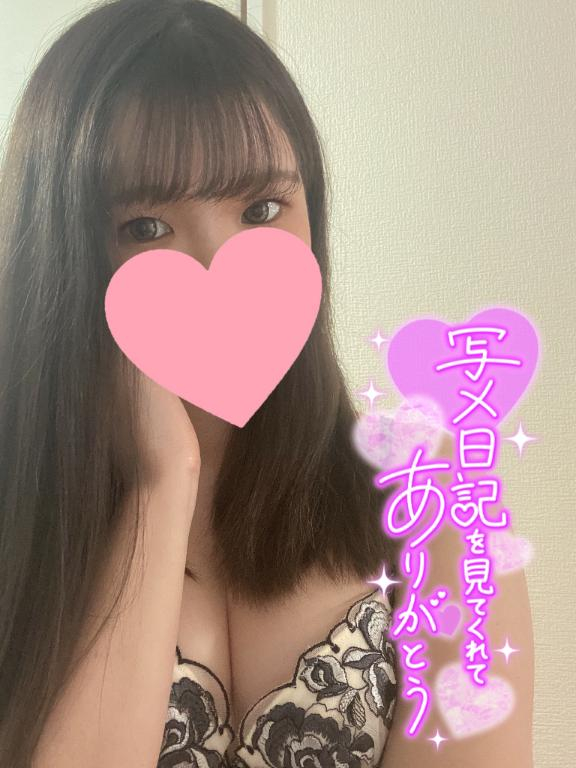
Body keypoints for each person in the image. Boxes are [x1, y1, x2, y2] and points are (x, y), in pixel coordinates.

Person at [0, 1, 533, 766]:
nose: (220, 263)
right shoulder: (22, 521)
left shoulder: (437, 499)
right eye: (145, 227)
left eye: (262, 208)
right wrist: (161, 484)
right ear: (60, 251)